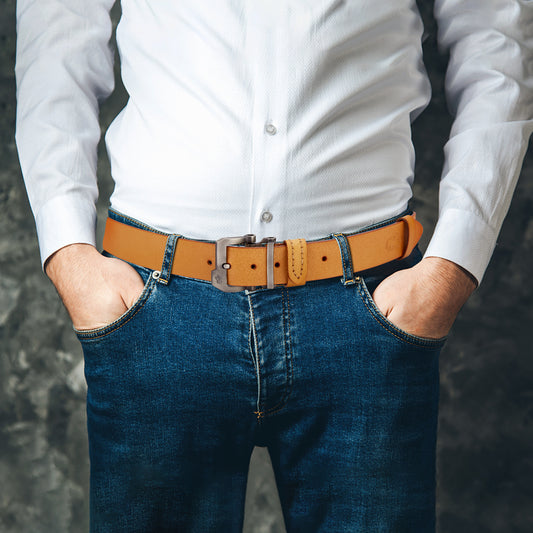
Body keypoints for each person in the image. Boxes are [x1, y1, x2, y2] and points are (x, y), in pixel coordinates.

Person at [14, 0, 533, 531]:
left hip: (371, 309)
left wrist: (451, 269)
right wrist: (69, 256)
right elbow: (58, 43)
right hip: (155, 310)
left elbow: (494, 46)